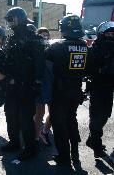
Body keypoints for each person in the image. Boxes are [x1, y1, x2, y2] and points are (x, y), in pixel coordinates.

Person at [0, 7, 45, 161]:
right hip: (11, 84)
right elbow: (7, 59)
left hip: (26, 86)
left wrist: (36, 83)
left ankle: (31, 148)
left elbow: (39, 63)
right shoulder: (11, 38)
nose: (10, 23)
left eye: (12, 19)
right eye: (8, 20)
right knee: (10, 115)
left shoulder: (33, 37)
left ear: (20, 18)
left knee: (25, 118)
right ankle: (14, 143)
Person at [45, 15, 88, 166]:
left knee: (59, 124)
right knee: (71, 120)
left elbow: (47, 71)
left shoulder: (56, 47)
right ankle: (75, 153)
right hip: (76, 91)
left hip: (60, 92)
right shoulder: (84, 46)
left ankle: (64, 156)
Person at [86, 21, 114, 158]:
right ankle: (96, 144)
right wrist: (100, 71)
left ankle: (92, 139)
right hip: (97, 87)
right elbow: (88, 69)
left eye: (113, 34)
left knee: (106, 115)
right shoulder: (94, 49)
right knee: (96, 117)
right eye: (108, 33)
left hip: (109, 88)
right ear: (102, 34)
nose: (111, 36)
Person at [33, 27, 53, 146]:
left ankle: (44, 131)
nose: (45, 38)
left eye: (46, 35)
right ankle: (35, 138)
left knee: (53, 113)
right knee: (39, 113)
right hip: (40, 85)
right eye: (42, 36)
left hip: (51, 85)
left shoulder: (53, 49)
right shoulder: (35, 49)